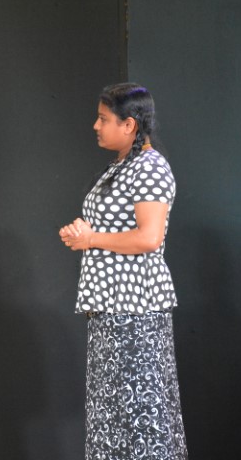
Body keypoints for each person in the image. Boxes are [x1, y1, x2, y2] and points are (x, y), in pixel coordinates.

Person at [59, 83, 188, 459]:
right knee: (112, 412)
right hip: (110, 308)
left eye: (103, 119)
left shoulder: (149, 167)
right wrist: (82, 233)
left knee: (140, 413)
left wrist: (92, 238)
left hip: (135, 310)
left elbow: (149, 237)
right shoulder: (120, 165)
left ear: (129, 124)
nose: (96, 126)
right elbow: (111, 226)